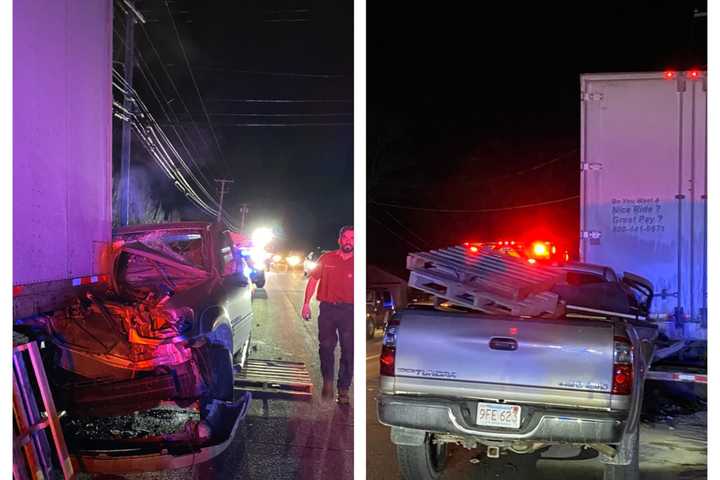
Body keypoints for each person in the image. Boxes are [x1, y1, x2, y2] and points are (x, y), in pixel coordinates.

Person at [302, 226, 354, 404]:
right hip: (327, 310)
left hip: (350, 311)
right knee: (326, 347)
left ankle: (344, 389)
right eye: (345, 237)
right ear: (339, 240)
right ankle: (328, 382)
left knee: (349, 351)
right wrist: (306, 304)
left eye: (353, 238)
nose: (349, 241)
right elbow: (313, 280)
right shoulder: (327, 258)